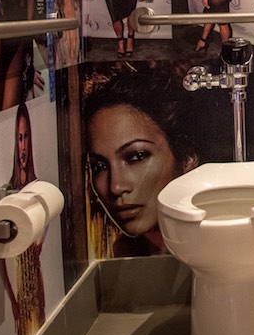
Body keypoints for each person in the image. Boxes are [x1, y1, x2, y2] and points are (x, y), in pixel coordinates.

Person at [84, 71, 202, 256]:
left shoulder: (228, 245)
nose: (115, 187)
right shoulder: (124, 256)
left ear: (187, 158)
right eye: (99, 166)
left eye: (137, 156)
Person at [0, 103, 46, 335]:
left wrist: (40, 243)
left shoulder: (36, 184)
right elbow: (1, 258)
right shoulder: (10, 190)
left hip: (35, 275)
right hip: (20, 278)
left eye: (26, 136)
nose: (24, 145)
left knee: (42, 324)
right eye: (19, 138)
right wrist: (12, 299)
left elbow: (45, 215)